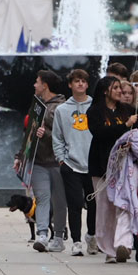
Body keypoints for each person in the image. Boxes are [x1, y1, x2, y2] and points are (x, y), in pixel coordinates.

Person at [13, 70, 68, 253]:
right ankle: (42, 235)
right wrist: (20, 156)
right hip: (38, 161)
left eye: (37, 82)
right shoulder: (36, 105)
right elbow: (28, 133)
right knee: (42, 198)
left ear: (45, 85)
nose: (34, 85)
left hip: (57, 161)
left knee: (59, 201)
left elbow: (66, 135)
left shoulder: (61, 106)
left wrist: (48, 135)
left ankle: (58, 236)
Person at [86, 75, 138, 262]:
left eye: (120, 88)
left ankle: (123, 244)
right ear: (105, 91)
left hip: (126, 167)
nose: (119, 91)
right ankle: (109, 249)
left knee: (125, 205)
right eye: (115, 88)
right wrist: (124, 126)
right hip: (101, 167)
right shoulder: (93, 112)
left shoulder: (129, 111)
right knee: (105, 209)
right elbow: (100, 133)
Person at [51, 68, 96, 256]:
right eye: (77, 81)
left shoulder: (96, 107)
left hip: (94, 164)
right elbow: (57, 136)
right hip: (71, 164)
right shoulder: (62, 110)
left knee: (94, 205)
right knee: (75, 204)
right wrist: (61, 159)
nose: (80, 84)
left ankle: (92, 236)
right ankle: (76, 241)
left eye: (83, 81)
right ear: (70, 84)